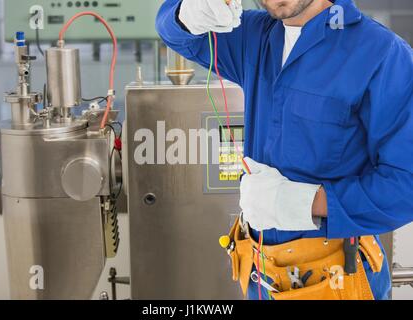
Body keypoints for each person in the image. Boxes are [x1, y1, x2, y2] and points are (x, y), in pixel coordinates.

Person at [156, 0, 413, 300]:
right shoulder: (254, 36)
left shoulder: (380, 54)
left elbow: (406, 186)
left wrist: (306, 203)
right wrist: (187, 13)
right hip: (260, 275)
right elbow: (173, 32)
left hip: (338, 279)